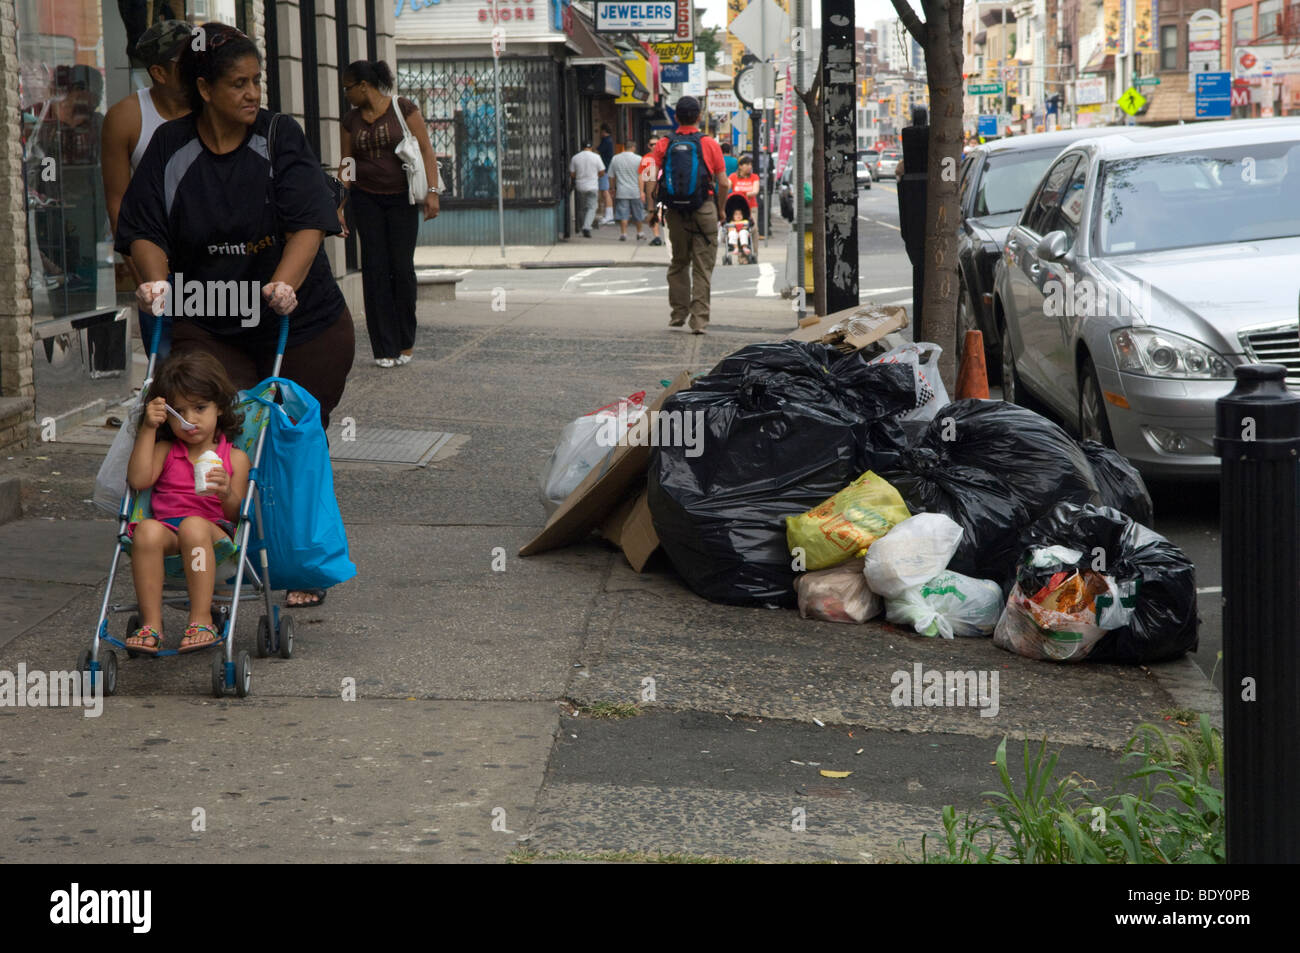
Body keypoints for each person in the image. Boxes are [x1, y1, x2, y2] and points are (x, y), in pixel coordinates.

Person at [116, 22, 352, 610]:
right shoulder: (171, 147)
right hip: (209, 316)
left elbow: (308, 223)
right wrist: (154, 281)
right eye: (239, 84)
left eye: (257, 82)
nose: (252, 94)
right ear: (204, 88)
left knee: (291, 438)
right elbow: (142, 229)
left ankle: (295, 559)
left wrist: (282, 283)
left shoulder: (279, 136)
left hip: (299, 317)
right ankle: (209, 552)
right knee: (205, 428)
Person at [124, 350, 250, 655]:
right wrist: (148, 428)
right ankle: (151, 623)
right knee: (146, 530)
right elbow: (139, 480)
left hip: (215, 538)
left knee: (194, 526)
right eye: (179, 412)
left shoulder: (234, 458)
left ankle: (202, 618)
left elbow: (237, 514)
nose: (190, 420)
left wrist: (225, 493)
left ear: (219, 407)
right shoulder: (166, 449)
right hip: (169, 532)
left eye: (199, 408)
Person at [340, 59, 440, 369]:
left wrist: (433, 193)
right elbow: (347, 163)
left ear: (364, 86)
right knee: (374, 270)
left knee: (401, 268)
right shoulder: (350, 121)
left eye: (348, 88)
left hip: (402, 199)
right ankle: (383, 347)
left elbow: (426, 149)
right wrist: (339, 204)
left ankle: (405, 342)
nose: (346, 95)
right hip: (365, 200)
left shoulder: (403, 108)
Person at [102, 19, 192, 359]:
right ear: (159, 71)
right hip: (159, 265)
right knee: (167, 368)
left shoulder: (213, 105)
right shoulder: (126, 118)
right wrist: (144, 278)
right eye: (186, 61)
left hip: (216, 263)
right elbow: (119, 204)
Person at [651, 96, 729, 334]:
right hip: (704, 208)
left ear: (676, 117)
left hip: (674, 210)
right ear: (698, 117)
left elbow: (649, 176)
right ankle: (699, 321)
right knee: (702, 267)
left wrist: (649, 207)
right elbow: (723, 183)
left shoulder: (663, 143)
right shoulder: (709, 144)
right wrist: (722, 209)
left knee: (679, 262)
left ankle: (678, 314)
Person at [607, 139, 644, 242]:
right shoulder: (639, 159)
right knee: (638, 213)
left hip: (622, 191)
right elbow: (641, 177)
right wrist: (642, 191)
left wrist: (612, 188)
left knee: (623, 214)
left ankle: (623, 234)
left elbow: (611, 176)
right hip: (635, 191)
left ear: (624, 147)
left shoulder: (615, 158)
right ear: (633, 148)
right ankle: (639, 233)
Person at [569, 142, 604, 238]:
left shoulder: (575, 157)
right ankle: (586, 227)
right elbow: (602, 171)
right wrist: (595, 176)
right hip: (592, 185)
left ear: (581, 147)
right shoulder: (596, 157)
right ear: (591, 147)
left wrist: (580, 176)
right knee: (592, 207)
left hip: (580, 185)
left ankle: (580, 225)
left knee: (581, 207)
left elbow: (572, 174)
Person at [638, 138, 664, 246]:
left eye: (656, 144)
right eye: (651, 144)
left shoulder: (665, 157)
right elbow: (641, 176)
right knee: (652, 212)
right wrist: (641, 192)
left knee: (666, 214)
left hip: (664, 188)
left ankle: (668, 237)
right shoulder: (646, 158)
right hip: (651, 188)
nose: (654, 146)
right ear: (648, 146)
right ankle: (657, 236)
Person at [596, 124, 615, 224]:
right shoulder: (610, 140)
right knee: (605, 191)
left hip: (605, 170)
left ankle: (609, 215)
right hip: (607, 168)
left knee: (605, 191)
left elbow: (598, 150)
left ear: (603, 131)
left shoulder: (606, 141)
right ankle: (608, 215)